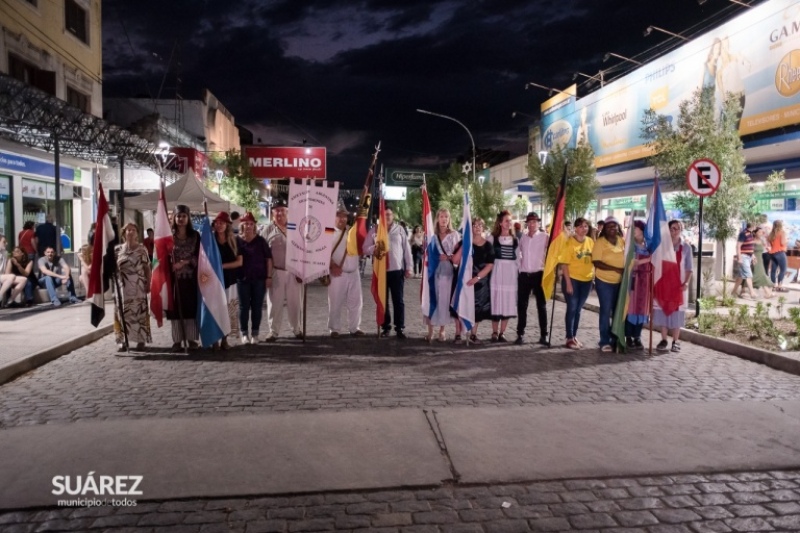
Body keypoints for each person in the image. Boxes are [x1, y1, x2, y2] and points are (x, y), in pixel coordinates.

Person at [365, 205, 412, 339]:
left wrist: (409, 267)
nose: (387, 217)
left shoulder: (400, 230)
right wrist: (374, 248)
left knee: (398, 300)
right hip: (381, 271)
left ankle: (400, 328)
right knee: (383, 301)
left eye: (389, 214)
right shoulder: (375, 230)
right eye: (385, 215)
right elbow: (364, 248)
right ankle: (385, 327)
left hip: (396, 270)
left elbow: (406, 250)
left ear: (393, 216)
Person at [261, 198, 303, 341]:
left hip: (293, 271)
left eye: (282, 210)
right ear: (273, 213)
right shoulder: (267, 229)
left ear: (288, 212)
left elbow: (302, 249)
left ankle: (296, 329)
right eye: (277, 210)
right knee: (274, 303)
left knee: (295, 302)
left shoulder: (295, 228)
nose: (279, 213)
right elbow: (262, 252)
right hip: (276, 271)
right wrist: (267, 274)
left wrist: (301, 270)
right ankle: (273, 331)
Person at [452, 217, 494, 344]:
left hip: (479, 282)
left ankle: (473, 334)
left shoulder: (488, 245)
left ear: (483, 227)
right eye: (474, 225)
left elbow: (490, 265)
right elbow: (454, 260)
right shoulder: (462, 243)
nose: (477, 227)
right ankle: (458, 333)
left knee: (477, 308)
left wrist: (477, 278)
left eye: (480, 225)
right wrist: (464, 245)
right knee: (460, 304)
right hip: (463, 280)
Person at [654, 220, 693, 353]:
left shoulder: (686, 248)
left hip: (678, 285)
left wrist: (686, 282)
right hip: (664, 284)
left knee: (677, 314)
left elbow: (689, 268)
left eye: (678, 228)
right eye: (672, 228)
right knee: (663, 311)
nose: (675, 231)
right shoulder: (662, 246)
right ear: (668, 230)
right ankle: (664, 339)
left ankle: (676, 341)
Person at [113, 223, 152, 351]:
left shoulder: (142, 249)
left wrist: (149, 283)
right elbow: (112, 268)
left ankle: (141, 339)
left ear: (137, 233)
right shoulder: (117, 250)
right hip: (122, 285)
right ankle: (122, 340)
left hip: (138, 284)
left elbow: (147, 268)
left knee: (139, 312)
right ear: (124, 233)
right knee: (121, 312)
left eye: (133, 230)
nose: (131, 232)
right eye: (128, 230)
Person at [424, 208, 460, 343]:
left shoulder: (454, 235)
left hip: (448, 272)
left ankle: (442, 330)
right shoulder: (432, 237)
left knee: (444, 301)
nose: (444, 219)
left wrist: (449, 257)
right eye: (441, 216)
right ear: (437, 219)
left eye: (446, 216)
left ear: (449, 219)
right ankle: (430, 330)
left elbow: (458, 255)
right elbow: (428, 255)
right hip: (433, 272)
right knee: (433, 299)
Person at [167, 205, 200, 351]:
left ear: (188, 218)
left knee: (190, 307)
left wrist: (185, 263)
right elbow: (161, 257)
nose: (181, 219)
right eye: (178, 216)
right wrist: (171, 264)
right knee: (175, 309)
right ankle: (177, 339)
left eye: (184, 216)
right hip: (174, 280)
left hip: (191, 279)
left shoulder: (195, 236)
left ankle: (191, 338)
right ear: (174, 218)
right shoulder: (169, 237)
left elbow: (200, 256)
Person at [328, 204, 364, 338]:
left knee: (356, 302)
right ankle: (334, 328)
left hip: (354, 272)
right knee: (335, 302)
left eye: (344, 216)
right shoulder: (327, 231)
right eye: (339, 215)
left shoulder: (352, 231)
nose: (342, 219)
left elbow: (361, 247)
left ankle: (354, 327)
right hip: (338, 272)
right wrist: (332, 266)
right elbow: (322, 252)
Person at [558, 217, 594, 349]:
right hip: (572, 279)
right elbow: (565, 264)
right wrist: (568, 283)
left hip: (587, 280)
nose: (583, 229)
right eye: (580, 226)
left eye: (585, 226)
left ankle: (574, 335)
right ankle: (569, 337)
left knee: (578, 310)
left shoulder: (590, 242)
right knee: (572, 308)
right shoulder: (569, 243)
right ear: (575, 228)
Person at [237, 211, 271, 345]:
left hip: (259, 279)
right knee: (243, 307)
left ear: (254, 226)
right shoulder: (237, 241)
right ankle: (244, 333)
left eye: (251, 224)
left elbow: (268, 259)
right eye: (246, 224)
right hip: (242, 279)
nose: (249, 226)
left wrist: (268, 276)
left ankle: (255, 333)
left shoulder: (261, 241)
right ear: (242, 225)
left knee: (257, 307)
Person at [516, 212, 549, 346]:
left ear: (538, 223)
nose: (532, 224)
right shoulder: (523, 238)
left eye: (534, 222)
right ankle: (520, 333)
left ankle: (544, 334)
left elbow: (554, 249)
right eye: (529, 222)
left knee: (541, 305)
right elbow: (519, 254)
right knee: (522, 306)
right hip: (524, 275)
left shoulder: (545, 237)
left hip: (538, 274)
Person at [593, 216, 626, 352]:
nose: (612, 228)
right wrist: (615, 268)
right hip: (604, 282)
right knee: (606, 311)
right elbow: (596, 262)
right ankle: (604, 341)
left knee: (617, 311)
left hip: (620, 282)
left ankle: (614, 338)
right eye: (609, 227)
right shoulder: (600, 242)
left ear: (618, 227)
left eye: (614, 226)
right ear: (604, 229)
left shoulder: (621, 241)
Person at [213, 211, 243, 349]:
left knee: (227, 311)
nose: (219, 225)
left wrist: (222, 266)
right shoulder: (211, 240)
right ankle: (214, 339)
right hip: (214, 281)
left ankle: (224, 339)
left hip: (230, 281)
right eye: (217, 223)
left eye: (222, 223)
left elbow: (239, 262)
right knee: (215, 310)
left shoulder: (235, 241)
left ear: (227, 225)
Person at [489, 210, 518, 342]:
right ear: (500, 223)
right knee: (496, 301)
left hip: (510, 275)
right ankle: (494, 332)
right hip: (497, 273)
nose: (509, 223)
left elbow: (519, 259)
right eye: (506, 220)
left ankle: (502, 332)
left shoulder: (515, 240)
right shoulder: (492, 239)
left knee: (507, 301)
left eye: (510, 221)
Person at [624, 220, 651, 351]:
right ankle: (628, 336)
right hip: (633, 278)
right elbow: (632, 262)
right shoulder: (631, 245)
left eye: (636, 228)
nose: (634, 230)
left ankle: (637, 336)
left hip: (645, 280)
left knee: (642, 309)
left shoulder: (648, 246)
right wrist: (648, 259)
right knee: (631, 308)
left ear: (642, 230)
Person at [0, 235, 27, 307]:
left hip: (2, 276)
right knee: (11, 276)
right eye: (4, 242)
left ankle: (10, 301)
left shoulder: (5, 253)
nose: (6, 244)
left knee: (23, 279)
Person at [733, 222, 757, 300]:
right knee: (748, 274)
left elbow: (749, 246)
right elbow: (738, 246)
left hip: (748, 257)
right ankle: (752, 293)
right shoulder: (743, 234)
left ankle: (733, 292)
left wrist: (752, 255)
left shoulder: (750, 234)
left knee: (741, 276)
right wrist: (739, 257)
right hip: (743, 257)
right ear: (752, 226)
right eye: (755, 225)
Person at [751, 226, 774, 299]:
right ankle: (767, 293)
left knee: (759, 275)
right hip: (754, 260)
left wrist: (768, 248)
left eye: (762, 232)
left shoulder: (762, 240)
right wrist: (752, 256)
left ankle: (743, 290)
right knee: (760, 275)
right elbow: (749, 250)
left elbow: (765, 247)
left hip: (760, 259)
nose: (761, 233)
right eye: (760, 232)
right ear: (755, 233)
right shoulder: (752, 241)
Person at [769, 220, 788, 292]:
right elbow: (783, 242)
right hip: (780, 252)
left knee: (773, 270)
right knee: (783, 269)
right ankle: (779, 286)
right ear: (780, 225)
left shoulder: (771, 234)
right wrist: (787, 240)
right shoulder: (782, 232)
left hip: (773, 253)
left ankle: (773, 286)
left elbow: (771, 244)